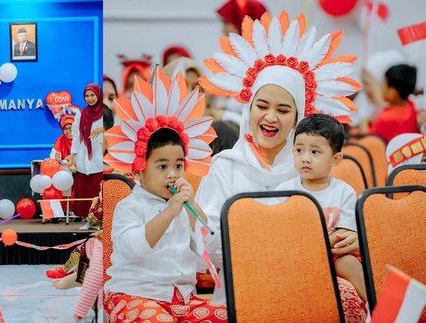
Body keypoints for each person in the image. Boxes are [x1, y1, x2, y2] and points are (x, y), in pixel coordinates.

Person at [196, 12, 367, 321]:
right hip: (243, 288)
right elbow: (206, 243)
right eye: (262, 106)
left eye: (283, 109)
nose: (270, 117)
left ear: (298, 115)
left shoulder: (311, 168)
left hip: (309, 286)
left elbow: (339, 222)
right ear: (248, 107)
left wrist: (352, 238)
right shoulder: (225, 167)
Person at [103, 68, 225, 322]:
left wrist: (192, 207)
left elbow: (211, 248)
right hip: (132, 295)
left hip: (181, 300)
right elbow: (134, 249)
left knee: (230, 316)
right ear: (138, 170)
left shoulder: (183, 205)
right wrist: (170, 213)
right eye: (162, 166)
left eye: (178, 165)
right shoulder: (130, 206)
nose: (172, 174)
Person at [275, 114, 367, 302]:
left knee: (347, 261)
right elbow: (279, 232)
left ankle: (376, 307)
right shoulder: (283, 190)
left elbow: (343, 235)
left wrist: (321, 244)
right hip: (295, 254)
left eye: (315, 152)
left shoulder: (344, 191)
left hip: (332, 254)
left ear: (335, 159)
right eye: (299, 150)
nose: (305, 158)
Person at [70, 84, 104, 220]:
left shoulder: (104, 112)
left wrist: (102, 129)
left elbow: (115, 126)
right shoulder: (81, 113)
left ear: (98, 95)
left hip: (99, 157)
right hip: (83, 158)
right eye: (87, 96)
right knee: (84, 190)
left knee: (98, 190)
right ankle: (86, 218)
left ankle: (99, 219)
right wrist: (73, 156)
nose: (89, 98)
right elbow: (76, 135)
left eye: (92, 95)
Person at [368, 64, 420, 143]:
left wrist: (363, 123)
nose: (381, 87)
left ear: (392, 93)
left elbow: (367, 143)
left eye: (383, 84)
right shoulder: (411, 106)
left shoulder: (386, 119)